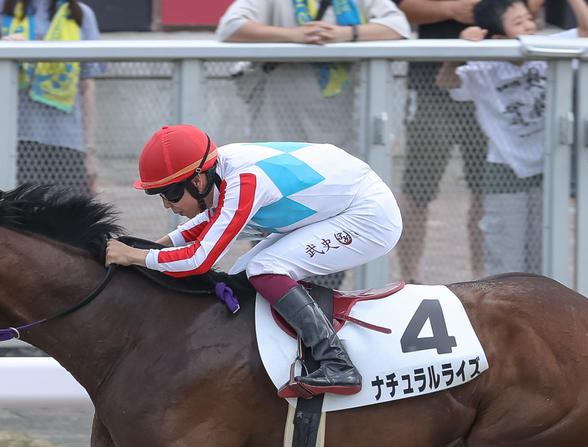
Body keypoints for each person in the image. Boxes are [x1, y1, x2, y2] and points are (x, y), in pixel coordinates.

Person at [103, 125, 404, 397]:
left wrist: (136, 256)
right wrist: (157, 247)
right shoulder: (217, 170)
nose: (167, 204)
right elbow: (211, 219)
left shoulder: (245, 180)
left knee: (265, 268)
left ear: (197, 180)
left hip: (368, 215)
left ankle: (337, 363)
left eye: (170, 193)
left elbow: (199, 260)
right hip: (337, 206)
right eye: (160, 195)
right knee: (239, 275)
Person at [437, 0, 588, 275]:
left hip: (549, 166)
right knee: (504, 255)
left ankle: (542, 315)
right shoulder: (483, 67)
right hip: (505, 167)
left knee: (544, 254)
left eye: (529, 19)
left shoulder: (547, 49)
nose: (529, 27)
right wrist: (459, 49)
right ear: (498, 37)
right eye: (519, 23)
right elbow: (447, 82)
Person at [393, 0, 542, 283]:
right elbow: (401, 10)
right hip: (432, 86)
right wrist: (450, 10)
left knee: (483, 187)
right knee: (418, 187)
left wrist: (509, 13)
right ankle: (410, 279)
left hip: (494, 86)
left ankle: (481, 277)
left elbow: (527, 7)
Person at [216, 0, 411, 155]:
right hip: (279, 122)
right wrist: (294, 36)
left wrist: (345, 33)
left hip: (342, 120)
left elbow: (399, 26)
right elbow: (230, 27)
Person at [0, 0, 104, 192]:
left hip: (67, 141)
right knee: (18, 219)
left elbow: (87, 86)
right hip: (12, 140)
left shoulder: (81, 14)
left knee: (66, 219)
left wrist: (89, 152)